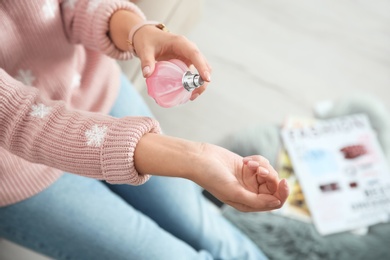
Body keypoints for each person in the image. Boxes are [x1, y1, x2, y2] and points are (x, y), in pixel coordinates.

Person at [0, 1, 289, 259]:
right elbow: (20, 119)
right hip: (14, 171)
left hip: (93, 87)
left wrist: (138, 32)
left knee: (208, 229)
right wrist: (193, 158)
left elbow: (71, 5)